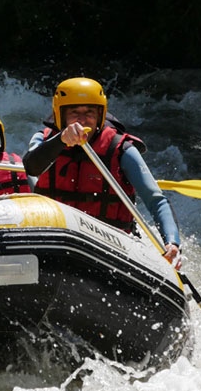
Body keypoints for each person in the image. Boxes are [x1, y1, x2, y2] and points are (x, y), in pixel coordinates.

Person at [22, 77, 181, 264]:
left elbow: (156, 201)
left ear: (100, 115)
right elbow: (32, 167)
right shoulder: (44, 140)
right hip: (56, 241)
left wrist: (172, 243)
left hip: (109, 245)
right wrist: (61, 140)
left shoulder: (122, 150)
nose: (82, 120)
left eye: (89, 112)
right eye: (74, 112)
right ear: (60, 115)